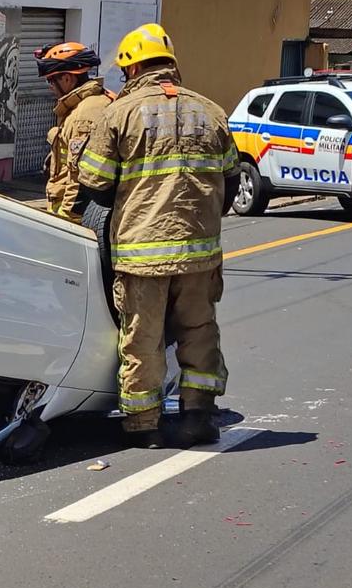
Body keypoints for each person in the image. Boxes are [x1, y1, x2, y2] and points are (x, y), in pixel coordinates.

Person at [75, 23, 240, 448]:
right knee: (199, 330)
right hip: (200, 254)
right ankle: (198, 419)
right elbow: (232, 182)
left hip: (141, 254)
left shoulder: (120, 113)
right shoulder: (212, 111)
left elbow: (94, 183)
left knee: (142, 338)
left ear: (132, 69)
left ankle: (144, 425)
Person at [35, 42, 114, 223]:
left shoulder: (85, 115)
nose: (49, 86)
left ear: (68, 79)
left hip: (74, 217)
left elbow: (79, 177)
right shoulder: (80, 106)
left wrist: (67, 221)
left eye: (51, 80)